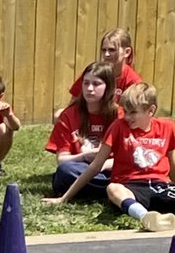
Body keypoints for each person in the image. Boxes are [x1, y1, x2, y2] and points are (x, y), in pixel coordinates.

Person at [44, 81, 175, 232]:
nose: (126, 116)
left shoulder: (168, 128)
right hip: (130, 186)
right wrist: (64, 197)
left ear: (150, 111)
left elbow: (172, 161)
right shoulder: (118, 127)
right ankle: (145, 217)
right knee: (113, 189)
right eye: (125, 111)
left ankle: (163, 217)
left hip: (161, 185)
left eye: (133, 112)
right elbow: (95, 166)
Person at [46, 61, 118, 198]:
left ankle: (94, 189)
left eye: (96, 84)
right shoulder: (69, 115)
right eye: (86, 83)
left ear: (108, 87)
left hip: (110, 169)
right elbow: (62, 160)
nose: (89, 88)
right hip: (79, 168)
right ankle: (108, 191)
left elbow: (127, 158)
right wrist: (85, 156)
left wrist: (100, 165)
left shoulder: (119, 116)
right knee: (64, 171)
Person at [56, 28, 140, 117]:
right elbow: (74, 102)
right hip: (88, 119)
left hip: (114, 121)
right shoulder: (93, 73)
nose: (106, 54)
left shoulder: (133, 81)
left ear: (127, 52)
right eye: (104, 50)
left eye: (112, 50)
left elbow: (132, 114)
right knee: (59, 115)